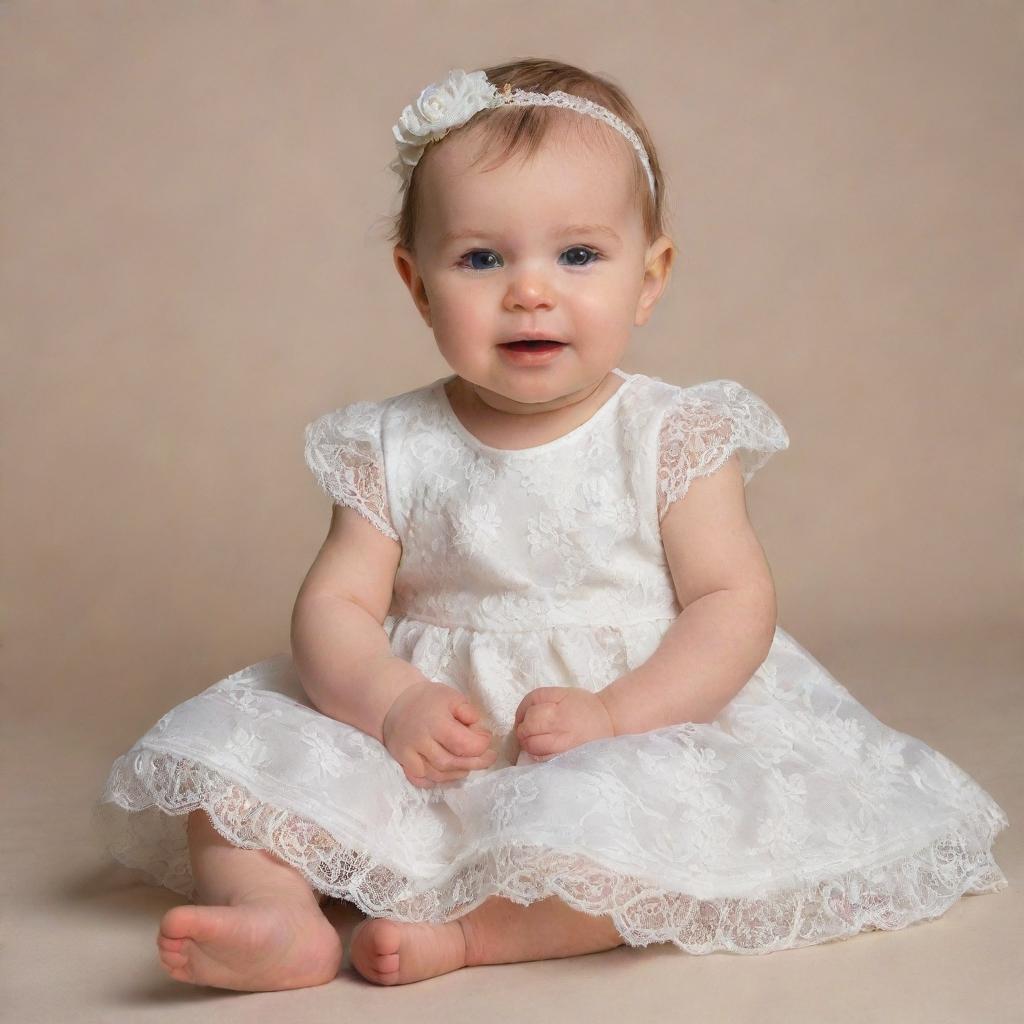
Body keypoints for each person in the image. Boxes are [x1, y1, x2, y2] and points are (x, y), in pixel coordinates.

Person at [92, 58, 1010, 992]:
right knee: (233, 774)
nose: (530, 291)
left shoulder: (671, 433)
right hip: (423, 729)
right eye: (481, 258)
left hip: (632, 717)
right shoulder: (389, 441)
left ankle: (482, 935)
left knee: (623, 835)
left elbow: (731, 605)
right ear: (416, 285)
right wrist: (389, 698)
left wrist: (618, 715)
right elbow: (333, 605)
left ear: (650, 277)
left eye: (578, 255)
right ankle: (275, 917)